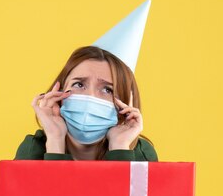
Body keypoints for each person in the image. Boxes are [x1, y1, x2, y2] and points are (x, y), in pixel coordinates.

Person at [14, 45, 158, 161]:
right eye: (79, 84)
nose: (90, 96)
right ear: (59, 92)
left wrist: (119, 147)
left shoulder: (141, 154)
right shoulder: (33, 150)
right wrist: (55, 141)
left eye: (107, 90)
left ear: (124, 103)